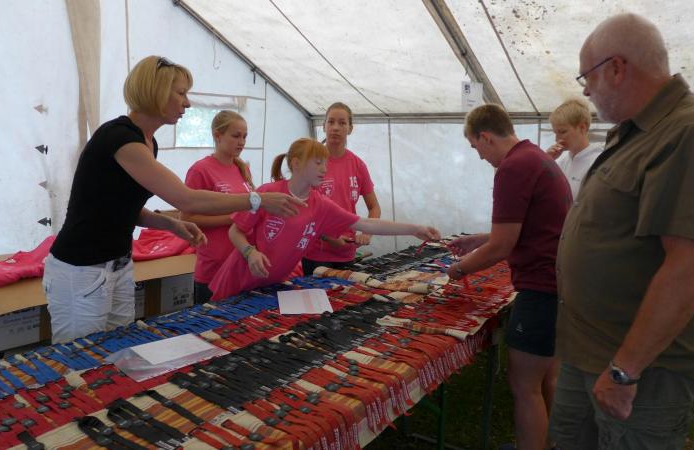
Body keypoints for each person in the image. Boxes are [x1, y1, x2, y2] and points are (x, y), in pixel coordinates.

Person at [550, 13, 694, 450]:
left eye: (587, 77)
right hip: (590, 349)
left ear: (617, 68)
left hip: (642, 368)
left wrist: (625, 370)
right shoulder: (634, 131)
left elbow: (691, 267)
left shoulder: (691, 132)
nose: (585, 92)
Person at [44, 56, 304, 344]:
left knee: (116, 350)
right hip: (82, 269)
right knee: (81, 356)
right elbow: (187, 199)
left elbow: (121, 207)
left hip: (118, 265)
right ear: (155, 92)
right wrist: (256, 200)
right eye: (181, 93)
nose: (187, 103)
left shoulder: (147, 143)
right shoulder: (120, 139)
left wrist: (171, 225)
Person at [446, 104, 571, 450]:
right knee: (547, 377)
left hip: (541, 289)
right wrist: (479, 240)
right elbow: (529, 228)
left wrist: (458, 269)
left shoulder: (513, 168)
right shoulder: (535, 158)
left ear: (486, 137)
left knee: (524, 385)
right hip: (560, 286)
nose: (479, 156)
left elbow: (502, 246)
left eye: (476, 147)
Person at [209, 138, 439, 300]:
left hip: (271, 287)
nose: (324, 169)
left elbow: (366, 223)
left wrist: (414, 229)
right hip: (238, 282)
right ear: (296, 163)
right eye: (318, 163)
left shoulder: (320, 205)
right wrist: (250, 253)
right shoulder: (269, 193)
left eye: (325, 163)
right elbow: (235, 231)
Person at [183, 111, 254, 304]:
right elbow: (187, 218)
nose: (241, 142)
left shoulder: (243, 169)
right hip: (214, 268)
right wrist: (232, 218)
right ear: (217, 135)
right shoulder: (201, 170)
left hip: (240, 264)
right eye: (236, 136)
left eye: (245, 136)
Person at [302, 102, 381, 276]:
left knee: (344, 294)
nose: (336, 128)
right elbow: (303, 210)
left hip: (346, 252)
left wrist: (367, 233)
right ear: (324, 126)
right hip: (315, 252)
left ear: (350, 128)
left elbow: (374, 207)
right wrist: (329, 238)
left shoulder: (358, 165)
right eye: (331, 122)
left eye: (342, 123)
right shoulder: (311, 162)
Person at [545, 99, 603, 198]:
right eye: (555, 133)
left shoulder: (598, 162)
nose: (557, 139)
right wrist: (546, 161)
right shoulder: (562, 162)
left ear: (582, 128)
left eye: (562, 132)